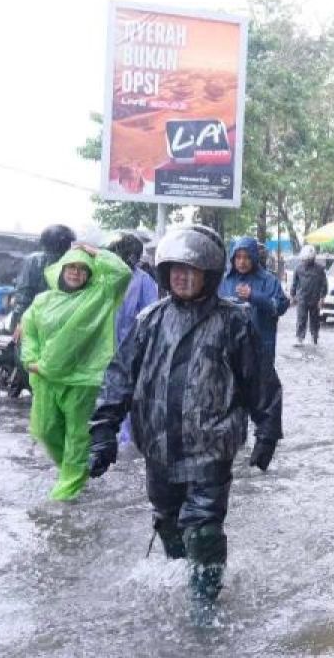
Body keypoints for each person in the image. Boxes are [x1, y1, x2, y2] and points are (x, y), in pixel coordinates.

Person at [87, 225, 283, 619]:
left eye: (191, 271)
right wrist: (104, 432)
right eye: (175, 270)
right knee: (167, 521)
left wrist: (267, 432)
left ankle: (204, 604)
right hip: (158, 445)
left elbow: (260, 380)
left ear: (209, 276)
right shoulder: (150, 319)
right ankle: (182, 572)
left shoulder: (234, 322)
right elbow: (120, 377)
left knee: (204, 527)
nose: (182, 277)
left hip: (212, 445)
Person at [20, 244, 131, 500]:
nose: (76, 273)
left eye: (83, 269)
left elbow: (121, 273)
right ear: (61, 268)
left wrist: (90, 250)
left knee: (78, 437)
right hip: (46, 378)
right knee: (46, 431)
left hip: (84, 380)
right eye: (72, 266)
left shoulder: (100, 296)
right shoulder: (43, 301)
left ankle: (65, 495)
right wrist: (31, 361)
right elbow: (30, 332)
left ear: (90, 274)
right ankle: (73, 471)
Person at [104, 231, 160, 445]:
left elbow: (150, 320)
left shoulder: (143, 281)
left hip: (130, 354)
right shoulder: (102, 278)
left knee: (127, 402)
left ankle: (127, 445)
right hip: (102, 353)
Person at [218, 236, 289, 370]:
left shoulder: (268, 280)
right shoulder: (225, 281)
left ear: (254, 258)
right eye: (238, 257)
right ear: (232, 258)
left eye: (247, 257)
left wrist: (254, 296)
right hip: (230, 348)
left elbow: (280, 306)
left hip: (261, 347)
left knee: (260, 387)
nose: (242, 262)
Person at [10, 224, 76, 334]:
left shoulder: (34, 261)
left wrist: (18, 322)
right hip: (53, 322)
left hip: (46, 321)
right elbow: (23, 296)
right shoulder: (71, 261)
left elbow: (23, 296)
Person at [289, 245, 328, 345]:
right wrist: (292, 296)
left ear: (313, 258)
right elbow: (294, 283)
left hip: (315, 299)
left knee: (315, 319)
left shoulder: (320, 269)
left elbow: (324, 284)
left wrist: (322, 298)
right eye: (304, 259)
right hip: (302, 298)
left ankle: (314, 336)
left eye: (308, 259)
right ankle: (299, 338)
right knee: (301, 318)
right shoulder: (298, 268)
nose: (305, 261)